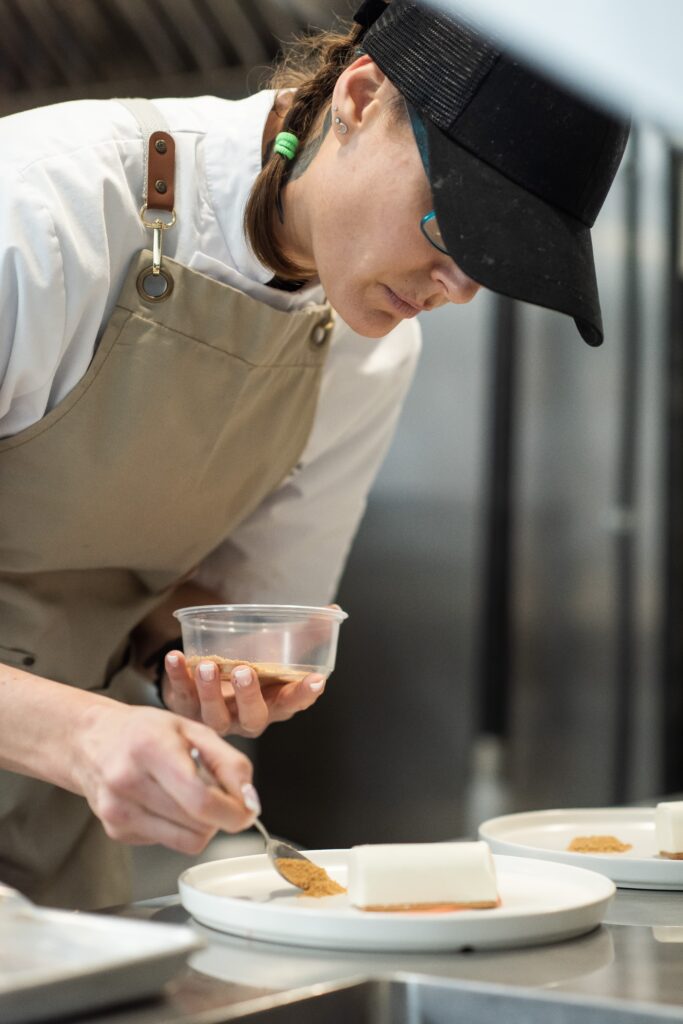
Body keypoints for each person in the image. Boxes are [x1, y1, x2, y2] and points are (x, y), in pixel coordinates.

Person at [0, 0, 628, 910]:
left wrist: (209, 664)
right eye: (454, 229)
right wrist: (80, 736)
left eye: (497, 265)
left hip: (46, 841)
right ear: (361, 98)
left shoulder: (370, 351)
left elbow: (212, 614)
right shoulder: (39, 213)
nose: (457, 289)